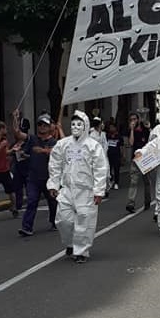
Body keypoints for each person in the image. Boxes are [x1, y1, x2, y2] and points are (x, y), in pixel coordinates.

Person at [48, 110, 108, 263]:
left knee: (84, 222)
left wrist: (99, 190)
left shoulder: (93, 146)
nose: (75, 127)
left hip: (86, 192)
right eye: (73, 124)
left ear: (85, 126)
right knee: (63, 220)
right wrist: (53, 184)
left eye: (79, 124)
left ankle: (81, 251)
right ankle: (70, 243)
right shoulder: (63, 144)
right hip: (67, 190)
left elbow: (101, 168)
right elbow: (55, 164)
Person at [18, 114, 58, 236]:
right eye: (40, 124)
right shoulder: (32, 139)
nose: (42, 127)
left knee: (53, 202)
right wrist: (15, 120)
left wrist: (44, 151)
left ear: (49, 127)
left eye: (45, 125)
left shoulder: (53, 142)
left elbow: (57, 153)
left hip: (49, 179)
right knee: (32, 201)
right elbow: (18, 134)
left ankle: (54, 221)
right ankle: (27, 227)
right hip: (33, 178)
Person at [125, 112, 152, 213]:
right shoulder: (131, 131)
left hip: (145, 158)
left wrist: (148, 127)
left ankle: (147, 201)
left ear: (138, 119)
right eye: (131, 120)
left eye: (134, 119)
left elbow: (151, 139)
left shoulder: (144, 128)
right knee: (133, 181)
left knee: (147, 181)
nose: (133, 121)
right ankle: (130, 203)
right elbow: (131, 143)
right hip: (135, 158)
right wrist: (131, 130)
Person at [12, 110, 32, 210]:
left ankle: (30, 204)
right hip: (18, 168)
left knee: (29, 189)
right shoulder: (16, 142)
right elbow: (16, 131)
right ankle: (18, 205)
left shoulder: (29, 140)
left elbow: (32, 156)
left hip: (27, 168)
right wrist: (15, 118)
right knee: (18, 188)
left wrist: (24, 154)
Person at [106, 123, 123, 190]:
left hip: (117, 155)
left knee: (116, 170)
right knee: (109, 170)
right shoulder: (107, 136)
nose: (111, 129)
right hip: (108, 155)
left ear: (115, 128)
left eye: (112, 127)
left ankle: (116, 183)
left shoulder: (119, 136)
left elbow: (122, 146)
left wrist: (122, 155)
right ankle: (110, 182)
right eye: (110, 127)